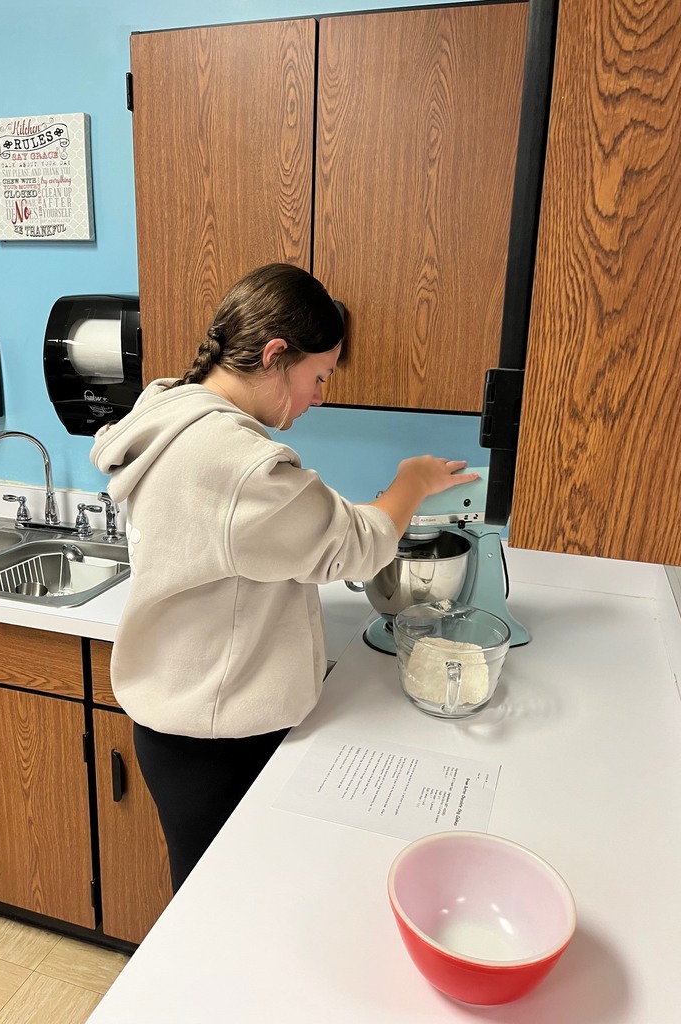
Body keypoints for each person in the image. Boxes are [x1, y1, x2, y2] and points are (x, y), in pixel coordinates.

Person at [90, 263, 477, 891]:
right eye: (318, 375)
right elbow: (353, 546)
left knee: (205, 897)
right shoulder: (235, 462)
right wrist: (412, 483)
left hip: (183, 721)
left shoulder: (172, 412)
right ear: (275, 355)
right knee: (226, 907)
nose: (320, 394)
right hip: (220, 739)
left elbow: (286, 526)